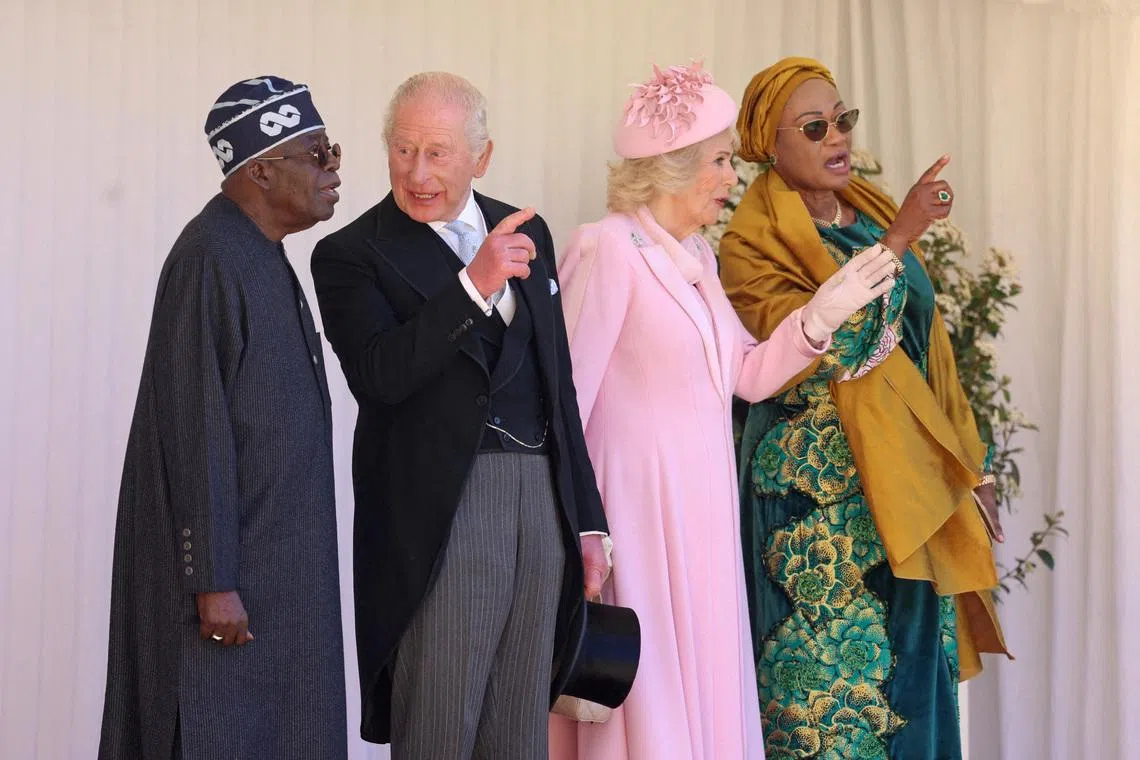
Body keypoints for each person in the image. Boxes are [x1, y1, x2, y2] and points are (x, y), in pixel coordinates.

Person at [548, 62, 900, 760]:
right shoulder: (609, 247)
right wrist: (579, 528)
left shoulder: (699, 257)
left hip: (703, 511)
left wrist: (824, 311)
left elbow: (745, 375)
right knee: (649, 702)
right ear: (672, 169)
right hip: (638, 512)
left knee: (704, 697)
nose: (730, 176)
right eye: (716, 161)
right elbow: (565, 401)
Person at [310, 71, 610, 760]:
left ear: (482, 155)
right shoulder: (350, 255)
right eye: (403, 149)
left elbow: (557, 386)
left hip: (539, 501)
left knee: (517, 728)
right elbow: (380, 376)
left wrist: (587, 519)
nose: (417, 172)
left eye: (438, 152)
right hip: (441, 507)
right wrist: (472, 285)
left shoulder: (525, 230)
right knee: (441, 723)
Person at [719, 57, 1010, 759]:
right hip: (816, 504)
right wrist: (902, 237)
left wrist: (972, 468)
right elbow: (826, 346)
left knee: (915, 682)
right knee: (832, 704)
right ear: (770, 145)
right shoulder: (748, 246)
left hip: (906, 488)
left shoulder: (870, 212)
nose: (837, 137)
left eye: (843, 120)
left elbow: (925, 344)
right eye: (815, 127)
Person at [98, 76, 347, 760]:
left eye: (333, 152)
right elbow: (195, 426)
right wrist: (213, 581)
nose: (332, 171)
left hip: (276, 580)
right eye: (317, 154)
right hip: (231, 597)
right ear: (262, 168)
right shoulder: (211, 256)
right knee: (215, 732)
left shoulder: (259, 253)